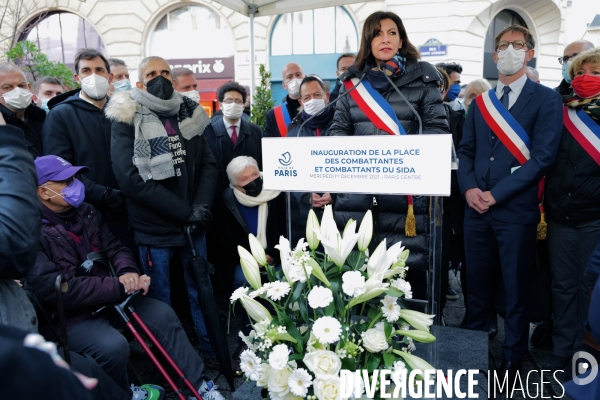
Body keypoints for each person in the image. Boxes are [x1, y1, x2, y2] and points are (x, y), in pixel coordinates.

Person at [24, 155, 224, 400]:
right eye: (66, 181)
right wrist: (117, 285)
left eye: (75, 177)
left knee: (162, 314)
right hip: (70, 316)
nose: (75, 184)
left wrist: (128, 272)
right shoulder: (29, 232)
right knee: (112, 347)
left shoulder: (86, 211)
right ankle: (123, 393)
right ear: (43, 192)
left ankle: (199, 386)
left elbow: (115, 247)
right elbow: (57, 289)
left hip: (111, 295)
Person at [457, 24, 562, 383]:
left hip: (515, 211)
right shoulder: (483, 102)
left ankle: (514, 357)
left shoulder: (547, 99)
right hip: (476, 211)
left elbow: (542, 158)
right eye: (503, 45)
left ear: (530, 52)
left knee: (517, 289)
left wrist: (496, 194)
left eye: (518, 45)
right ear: (494, 54)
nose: (510, 50)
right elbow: (467, 151)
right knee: (476, 289)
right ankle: (470, 354)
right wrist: (469, 189)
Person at [106, 56, 224, 371]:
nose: (161, 78)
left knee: (201, 292)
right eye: (152, 73)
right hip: (155, 229)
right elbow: (130, 179)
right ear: (140, 82)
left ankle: (212, 351)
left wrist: (200, 208)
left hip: (193, 226)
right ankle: (171, 364)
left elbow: (209, 165)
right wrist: (185, 212)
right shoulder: (126, 116)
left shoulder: (190, 111)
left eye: (165, 72)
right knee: (161, 301)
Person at [328, 11, 448, 300]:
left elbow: (437, 130)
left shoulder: (423, 77)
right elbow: (336, 134)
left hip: (406, 199)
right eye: (378, 33)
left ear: (401, 39)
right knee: (359, 290)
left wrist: (400, 159)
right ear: (368, 40)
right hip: (357, 200)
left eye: (392, 32)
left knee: (405, 288)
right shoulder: (351, 83)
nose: (385, 39)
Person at [542, 48, 600, 372]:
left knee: (588, 288)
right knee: (562, 287)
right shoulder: (559, 109)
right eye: (581, 72)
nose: (586, 79)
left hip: (594, 218)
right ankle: (561, 347)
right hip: (559, 216)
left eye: (595, 72)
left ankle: (584, 351)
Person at [42, 49, 131, 253]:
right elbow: (58, 169)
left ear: (109, 77)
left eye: (99, 70)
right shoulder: (61, 115)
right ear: (77, 77)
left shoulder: (123, 111)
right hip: (87, 215)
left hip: (130, 211)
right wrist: (103, 194)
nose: (94, 76)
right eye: (86, 70)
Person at [219, 156, 285, 296]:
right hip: (246, 260)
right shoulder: (227, 202)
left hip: (276, 256)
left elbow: (284, 228)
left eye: (255, 175)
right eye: (245, 179)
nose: (252, 181)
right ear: (236, 186)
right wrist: (251, 259)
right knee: (243, 280)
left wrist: (273, 255)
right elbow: (225, 241)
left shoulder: (276, 193)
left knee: (283, 276)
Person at [204, 82, 263, 195]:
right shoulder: (209, 132)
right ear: (221, 105)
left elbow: (262, 163)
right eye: (229, 101)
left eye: (238, 101)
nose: (234, 104)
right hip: (219, 196)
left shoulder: (256, 132)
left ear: (243, 105)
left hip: (250, 193)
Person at [0, 62, 45, 158]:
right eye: (7, 87)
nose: (17, 91)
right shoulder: (2, 127)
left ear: (28, 88)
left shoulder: (41, 117)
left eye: (21, 86)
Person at [264, 62, 305, 137]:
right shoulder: (273, 116)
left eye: (298, 75)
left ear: (305, 79)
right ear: (284, 85)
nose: (295, 79)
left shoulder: (316, 107)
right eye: (289, 77)